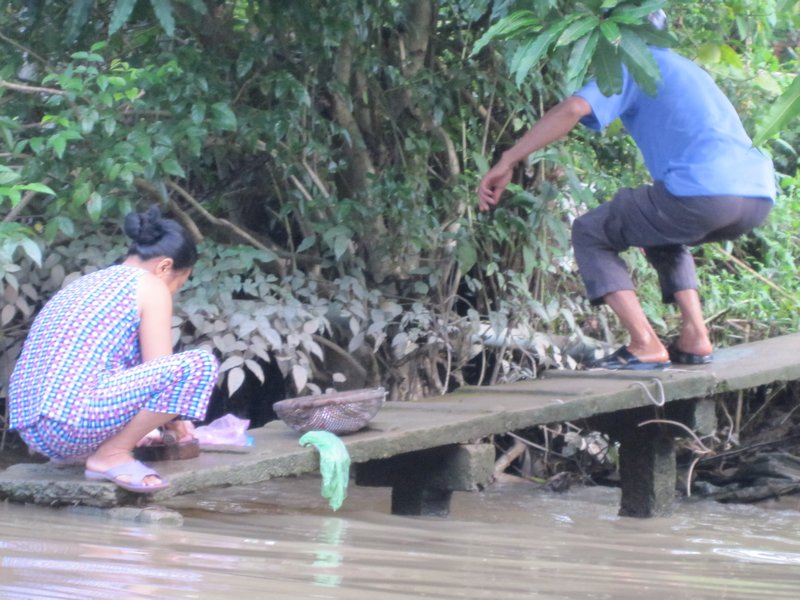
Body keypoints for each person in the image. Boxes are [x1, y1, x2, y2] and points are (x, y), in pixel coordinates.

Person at [477, 11, 775, 370]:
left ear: (617, 35)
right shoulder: (687, 68)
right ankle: (696, 337)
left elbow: (573, 108)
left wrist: (508, 159)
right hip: (757, 194)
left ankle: (644, 342)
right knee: (661, 231)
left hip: (703, 193)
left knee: (590, 230)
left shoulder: (632, 63)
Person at [8, 206, 219, 492]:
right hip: (72, 423)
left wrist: (159, 424)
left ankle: (91, 452)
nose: (172, 292)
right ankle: (111, 455)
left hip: (35, 431)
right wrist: (174, 421)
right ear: (165, 267)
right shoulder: (150, 286)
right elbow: (160, 369)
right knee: (199, 365)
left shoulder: (85, 283)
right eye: (178, 284)